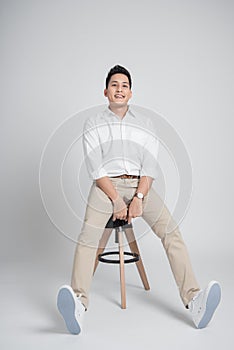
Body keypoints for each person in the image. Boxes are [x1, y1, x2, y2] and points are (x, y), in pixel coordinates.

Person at [57, 65, 221, 335]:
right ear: (105, 91)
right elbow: (95, 168)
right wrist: (116, 200)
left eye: (124, 85)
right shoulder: (94, 123)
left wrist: (139, 197)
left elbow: (150, 167)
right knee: (87, 237)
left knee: (171, 232)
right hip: (105, 187)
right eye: (114, 85)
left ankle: (194, 301)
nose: (119, 89)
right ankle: (78, 304)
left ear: (131, 93)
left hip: (138, 185)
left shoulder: (145, 124)